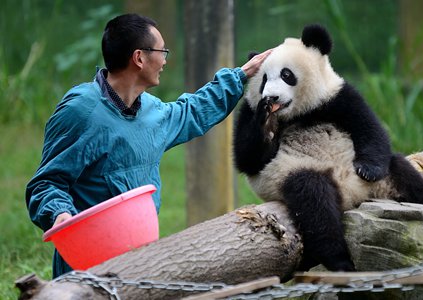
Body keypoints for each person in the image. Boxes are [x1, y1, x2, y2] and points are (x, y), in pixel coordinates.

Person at [26, 13, 271, 278]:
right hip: (87, 264)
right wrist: (60, 215)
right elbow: (46, 183)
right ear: (139, 58)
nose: (165, 59)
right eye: (162, 50)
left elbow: (192, 111)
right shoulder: (81, 111)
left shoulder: (151, 111)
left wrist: (241, 75)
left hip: (141, 259)